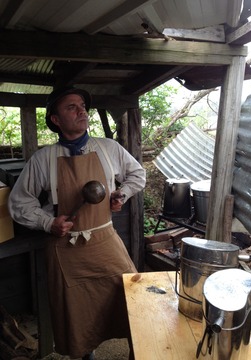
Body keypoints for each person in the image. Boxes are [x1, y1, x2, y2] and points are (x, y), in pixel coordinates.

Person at [8, 87, 146, 360]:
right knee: (77, 314)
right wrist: (48, 223)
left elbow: (137, 175)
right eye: (71, 107)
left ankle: (139, 351)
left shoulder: (108, 148)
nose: (81, 110)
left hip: (104, 240)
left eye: (82, 105)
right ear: (56, 119)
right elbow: (19, 202)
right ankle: (87, 355)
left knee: (132, 297)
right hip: (65, 249)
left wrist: (122, 194)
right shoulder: (43, 159)